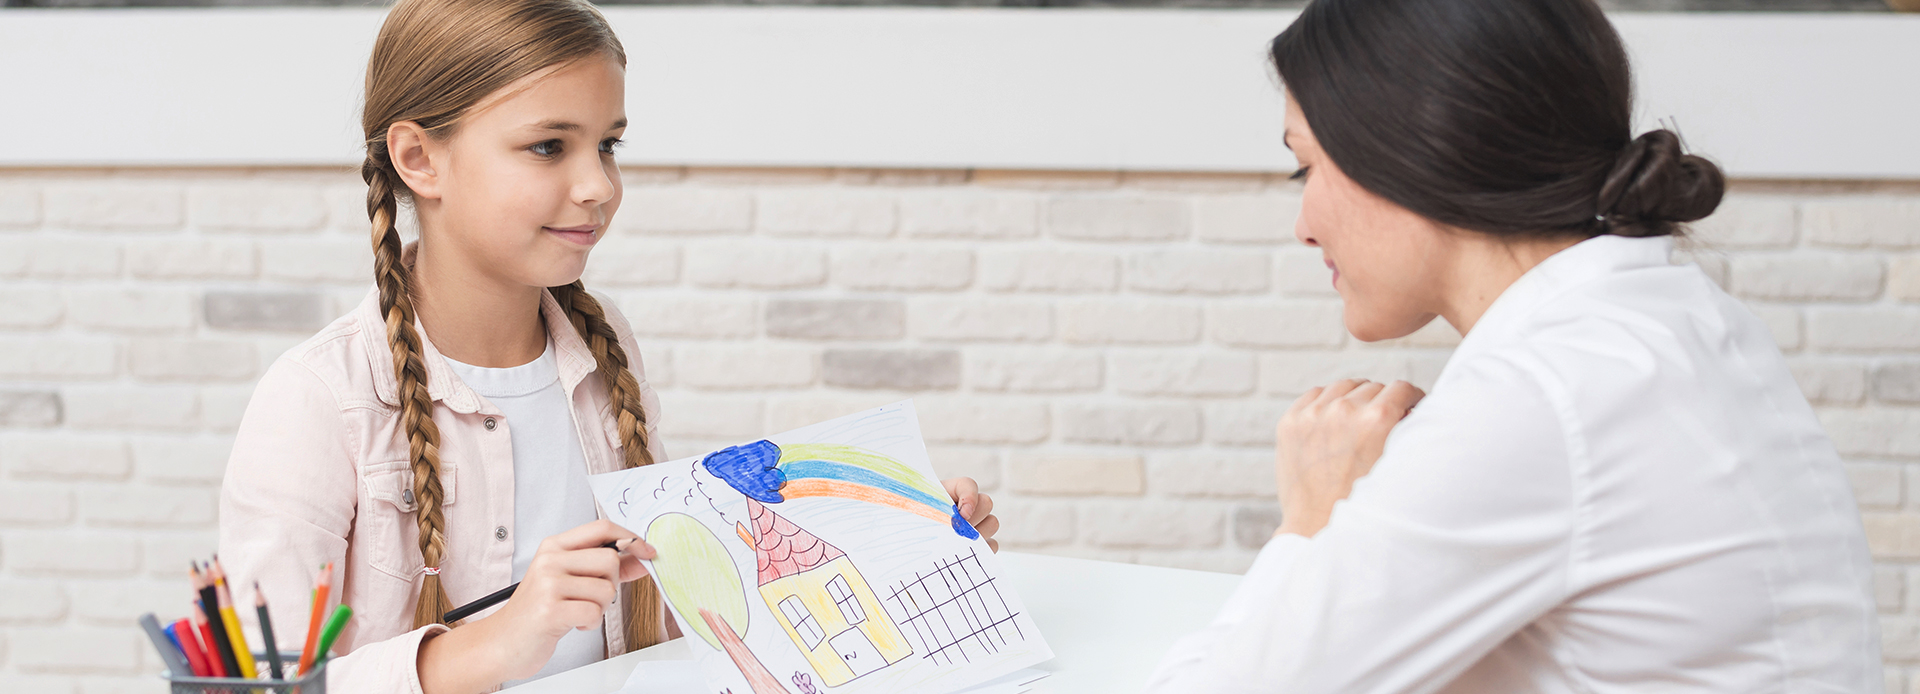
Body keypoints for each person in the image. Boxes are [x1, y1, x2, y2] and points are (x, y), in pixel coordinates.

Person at [216, 1, 998, 691]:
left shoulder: (603, 345)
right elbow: (256, 686)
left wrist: (901, 535)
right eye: (550, 147)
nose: (598, 186)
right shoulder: (322, 399)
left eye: (609, 145)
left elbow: (678, 592)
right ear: (419, 158)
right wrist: (494, 644)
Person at [1146, 0, 1881, 691]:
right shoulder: (1679, 321)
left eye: (1308, 167)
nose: (1302, 224)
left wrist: (1309, 518)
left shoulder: (1539, 399)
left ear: (1414, 145)